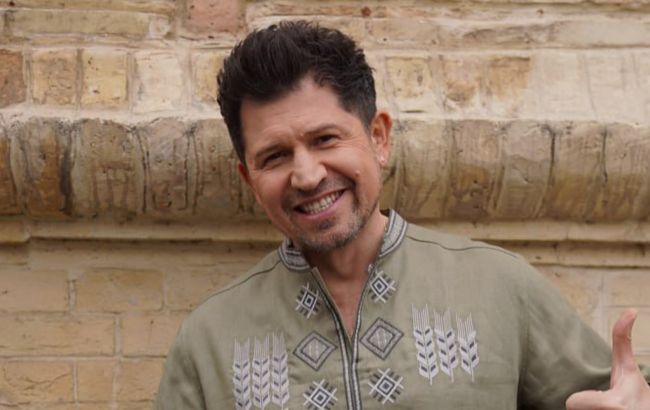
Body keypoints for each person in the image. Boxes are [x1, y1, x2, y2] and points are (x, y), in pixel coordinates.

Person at [155, 21, 650, 409]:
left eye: (325, 139)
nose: (306, 175)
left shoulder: (499, 287)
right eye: (275, 156)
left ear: (379, 138)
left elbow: (620, 397)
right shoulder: (208, 341)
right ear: (249, 179)